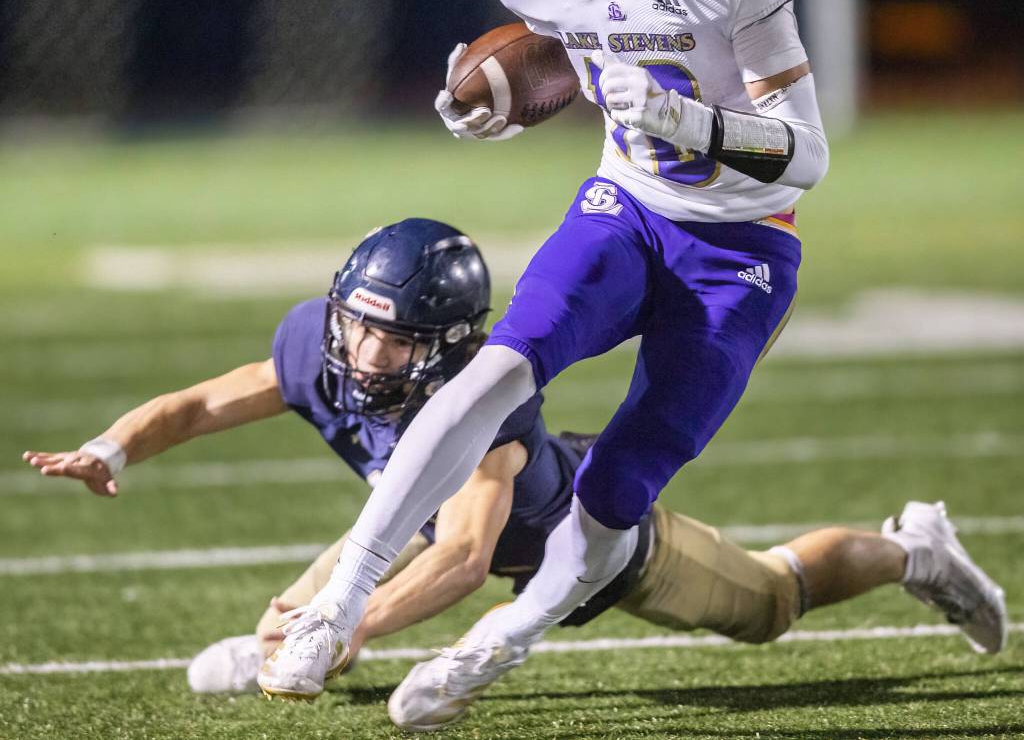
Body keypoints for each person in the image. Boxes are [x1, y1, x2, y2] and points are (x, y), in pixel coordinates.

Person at [255, 0, 1006, 728]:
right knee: (492, 375)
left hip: (739, 245)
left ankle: (507, 637)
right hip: (626, 209)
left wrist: (687, 124)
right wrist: (496, 98)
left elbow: (808, 156)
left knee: (618, 488)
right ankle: (338, 601)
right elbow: (578, 40)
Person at [20, 224, 1006, 708]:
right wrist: (108, 448)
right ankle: (282, 635)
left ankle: (910, 551)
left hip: (590, 539)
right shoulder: (316, 347)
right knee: (303, 610)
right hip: (415, 523)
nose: (367, 356)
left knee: (773, 601)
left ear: (447, 346)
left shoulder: (488, 409)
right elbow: (196, 404)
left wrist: (355, 621)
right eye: (359, 328)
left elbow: (462, 556)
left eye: (398, 342)